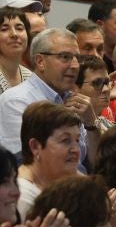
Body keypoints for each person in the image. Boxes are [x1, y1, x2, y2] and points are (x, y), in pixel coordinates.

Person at [0, 29, 94, 160]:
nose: (75, 65)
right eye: (65, 57)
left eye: (78, 58)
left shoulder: (74, 101)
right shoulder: (16, 101)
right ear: (40, 62)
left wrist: (91, 124)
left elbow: (96, 163)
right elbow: (23, 164)